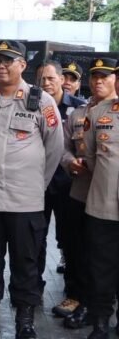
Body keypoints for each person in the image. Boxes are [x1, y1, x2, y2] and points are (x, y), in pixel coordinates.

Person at [0, 40, 64, 339]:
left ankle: (25, 320)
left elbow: (55, 148)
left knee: (26, 262)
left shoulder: (41, 100)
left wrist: (35, 185)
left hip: (25, 201)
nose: (1, 66)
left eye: (8, 60)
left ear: (23, 65)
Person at [60, 58, 117, 331]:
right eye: (95, 77)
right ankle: (92, 313)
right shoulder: (86, 113)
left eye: (105, 77)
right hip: (91, 198)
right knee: (89, 259)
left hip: (103, 196)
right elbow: (83, 154)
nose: (99, 82)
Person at [35, 60, 86, 315]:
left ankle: (73, 293)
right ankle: (33, 288)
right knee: (35, 238)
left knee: (70, 241)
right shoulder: (32, 104)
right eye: (42, 79)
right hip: (37, 184)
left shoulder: (79, 109)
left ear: (61, 79)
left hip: (68, 185)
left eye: (51, 79)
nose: (46, 84)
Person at [83, 60, 119, 339]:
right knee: (101, 268)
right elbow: (92, 158)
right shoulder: (97, 114)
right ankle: (100, 322)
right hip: (103, 206)